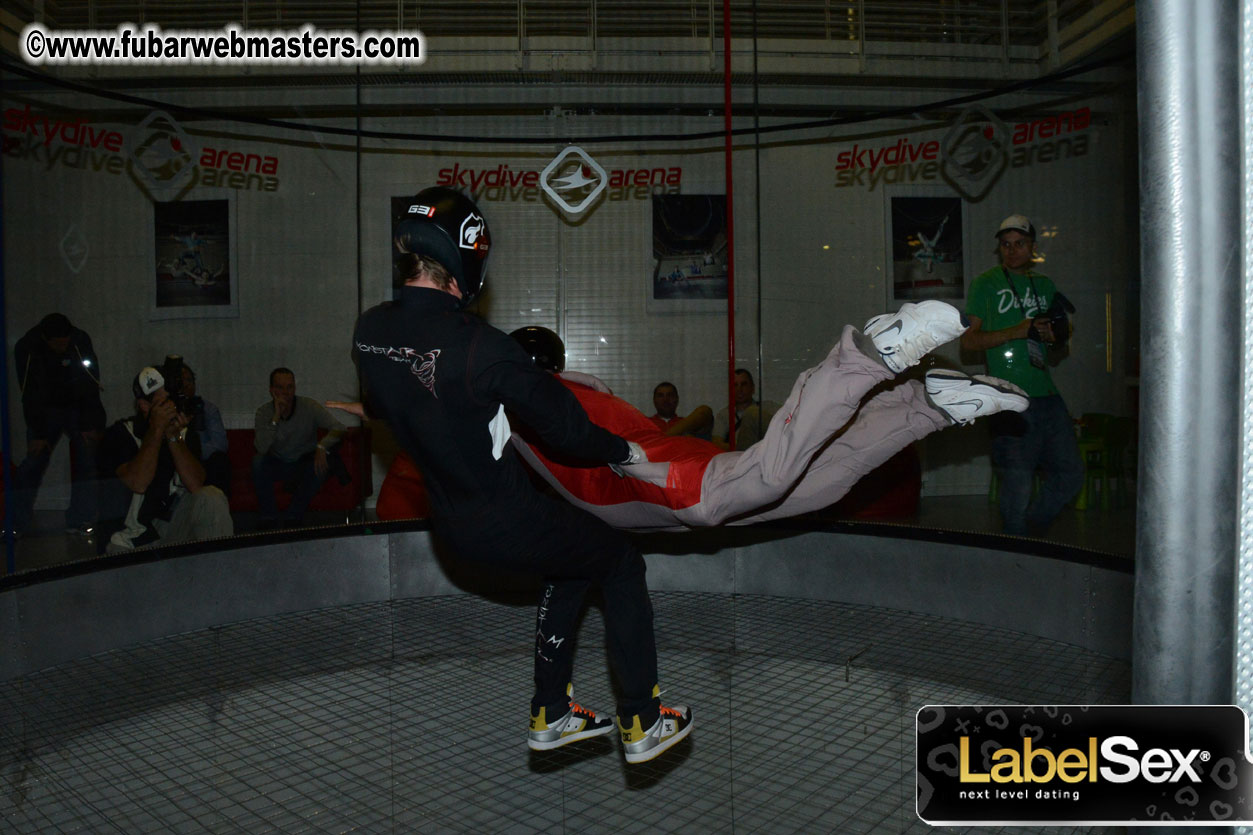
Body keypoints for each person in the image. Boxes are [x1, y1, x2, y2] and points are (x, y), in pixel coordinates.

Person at [353, 186, 692, 765]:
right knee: (618, 560)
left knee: (572, 560)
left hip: (450, 527)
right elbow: (567, 432)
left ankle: (552, 713)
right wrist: (627, 453)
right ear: (468, 253)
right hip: (507, 517)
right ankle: (642, 719)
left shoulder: (370, 333)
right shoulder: (479, 347)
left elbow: (389, 405)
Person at [353, 304, 1029, 536]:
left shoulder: (527, 396)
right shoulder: (577, 387)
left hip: (633, 479)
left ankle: (862, 358)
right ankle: (926, 405)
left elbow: (442, 407)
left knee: (752, 486)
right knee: (814, 488)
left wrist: (388, 402)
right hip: (639, 478)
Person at [961, 214, 1084, 537]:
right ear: (999, 249)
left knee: (1070, 475)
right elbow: (969, 341)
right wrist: (1018, 330)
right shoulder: (985, 284)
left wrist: (1054, 336)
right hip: (1007, 397)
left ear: (1033, 248)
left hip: (1047, 396)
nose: (1012, 250)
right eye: (1006, 245)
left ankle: (1031, 532)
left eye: (1019, 244)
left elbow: (1058, 347)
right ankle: (1018, 550)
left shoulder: (1044, 286)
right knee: (1017, 485)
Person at [98, 364, 233, 552]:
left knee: (212, 497)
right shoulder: (121, 434)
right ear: (144, 406)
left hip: (170, 524)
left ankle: (219, 569)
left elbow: (195, 484)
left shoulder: (182, 433)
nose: (171, 408)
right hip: (130, 533)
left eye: (172, 401)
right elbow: (138, 482)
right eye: (163, 404)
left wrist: (172, 436)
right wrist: (156, 429)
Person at [9, 312, 106, 536]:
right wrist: (38, 434)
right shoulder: (28, 347)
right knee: (34, 462)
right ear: (46, 338)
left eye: (66, 340)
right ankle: (15, 523)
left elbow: (91, 382)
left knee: (86, 460)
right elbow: (29, 392)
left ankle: (82, 519)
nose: (64, 345)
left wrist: (92, 424)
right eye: (58, 342)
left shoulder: (79, 340)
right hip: (45, 409)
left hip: (76, 406)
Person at [252, 368, 346, 528]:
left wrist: (322, 446)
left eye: (289, 387)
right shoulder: (263, 412)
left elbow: (339, 428)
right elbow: (261, 447)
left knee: (322, 465)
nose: (285, 392)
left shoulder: (308, 406)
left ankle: (293, 517)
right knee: (258, 462)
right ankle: (269, 518)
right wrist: (275, 417)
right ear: (272, 390)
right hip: (277, 462)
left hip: (303, 462)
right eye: (280, 388)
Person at [179, 362, 230, 495]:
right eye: (181, 381)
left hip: (203, 461)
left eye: (189, 380)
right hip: (176, 462)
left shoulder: (208, 409)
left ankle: (219, 509)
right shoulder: (166, 411)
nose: (186, 385)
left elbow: (220, 444)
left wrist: (193, 449)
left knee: (220, 461)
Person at [711, 368, 781, 450]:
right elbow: (716, 444)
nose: (739, 390)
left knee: (752, 413)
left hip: (769, 452)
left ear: (752, 388)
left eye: (744, 384)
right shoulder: (724, 415)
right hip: (741, 456)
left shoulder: (768, 407)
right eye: (735, 385)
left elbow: (788, 423)